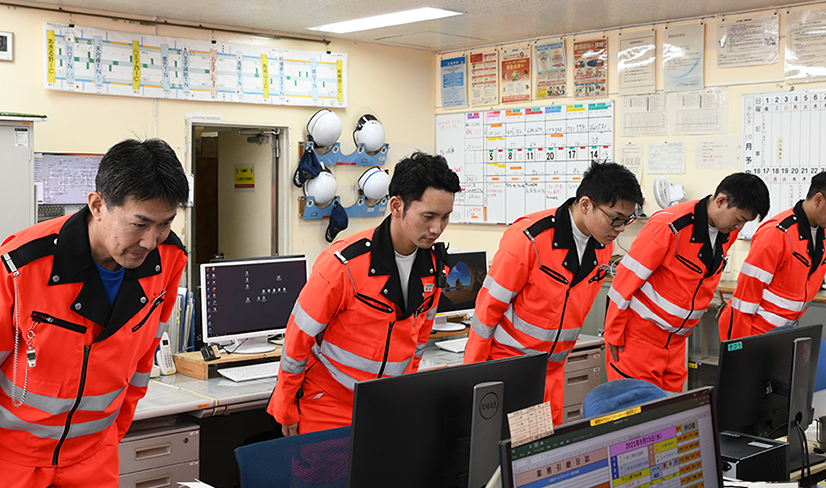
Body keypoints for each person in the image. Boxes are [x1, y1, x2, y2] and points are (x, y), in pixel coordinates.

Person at [0, 139, 189, 487]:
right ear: (98, 204)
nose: (150, 241)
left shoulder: (169, 260)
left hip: (93, 457)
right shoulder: (20, 266)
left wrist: (111, 435)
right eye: (139, 224)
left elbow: (142, 363)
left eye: (165, 224)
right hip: (13, 459)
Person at [268, 151, 461, 436]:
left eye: (445, 218)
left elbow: (420, 335)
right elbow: (298, 337)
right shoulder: (344, 264)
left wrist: (405, 390)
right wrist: (285, 405)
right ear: (397, 206)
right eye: (428, 216)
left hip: (388, 406)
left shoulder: (433, 266)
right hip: (330, 405)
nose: (437, 229)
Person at [463, 161, 643, 426]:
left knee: (546, 457)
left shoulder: (601, 246)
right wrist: (473, 381)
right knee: (512, 457)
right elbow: (486, 313)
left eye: (627, 220)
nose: (621, 228)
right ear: (585, 205)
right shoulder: (529, 239)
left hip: (554, 372)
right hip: (512, 369)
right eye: (615, 218)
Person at [604, 173, 769, 392]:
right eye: (738, 220)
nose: (739, 228)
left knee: (671, 416)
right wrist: (613, 334)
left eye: (745, 223)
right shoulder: (669, 226)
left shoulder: (725, 233)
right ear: (721, 201)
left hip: (676, 343)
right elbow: (624, 280)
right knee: (639, 415)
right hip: (639, 340)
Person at [719, 172, 826, 340]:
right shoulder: (776, 234)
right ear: (819, 200)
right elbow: (744, 301)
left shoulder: (822, 232)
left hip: (782, 331)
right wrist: (741, 347)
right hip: (751, 332)